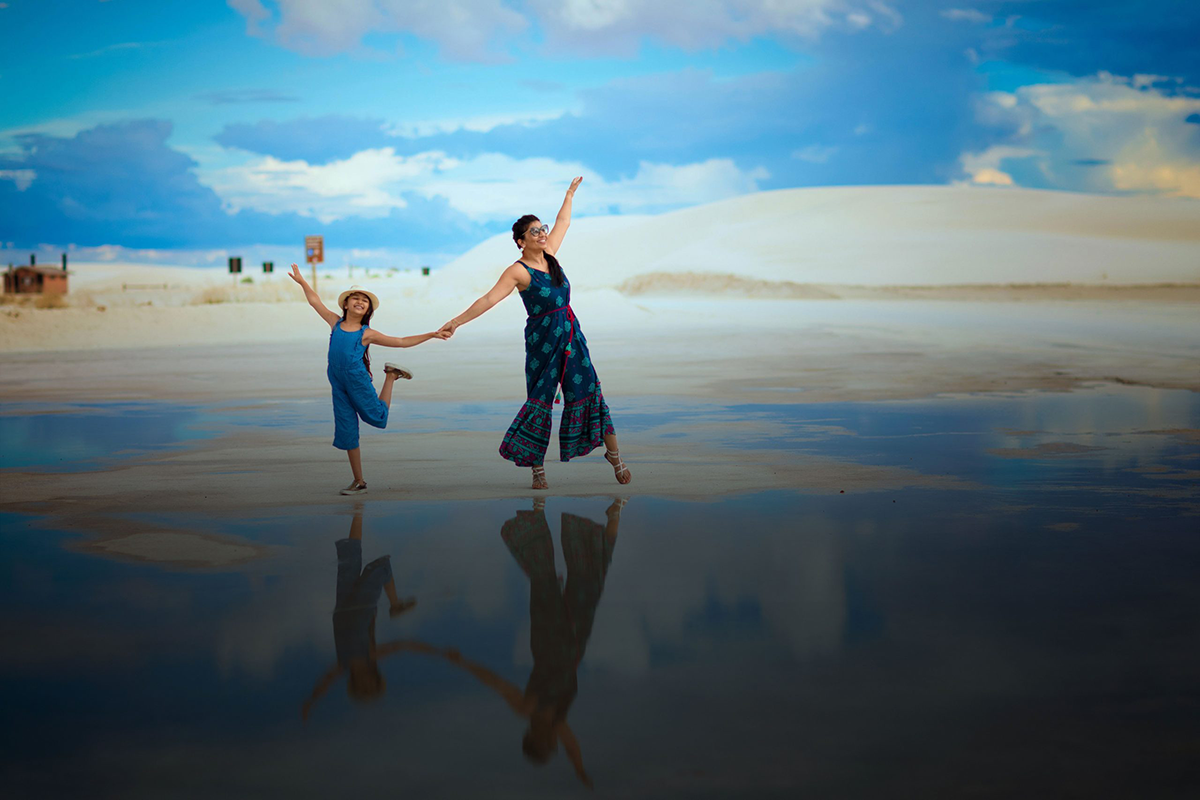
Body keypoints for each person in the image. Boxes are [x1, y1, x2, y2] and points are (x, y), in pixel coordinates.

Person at [439, 178, 632, 490]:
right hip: (542, 342)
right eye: (535, 231)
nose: (543, 234)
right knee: (540, 402)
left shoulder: (551, 254)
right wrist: (457, 321)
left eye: (543, 229)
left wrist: (569, 194)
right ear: (520, 241)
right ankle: (537, 470)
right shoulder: (517, 271)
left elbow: (564, 221)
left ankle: (614, 455)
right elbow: (489, 299)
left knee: (592, 392)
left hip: (571, 337)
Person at [289, 265, 449, 495]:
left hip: (356, 380)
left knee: (377, 416)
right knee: (347, 431)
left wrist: (431, 334)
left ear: (367, 310)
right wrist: (303, 282)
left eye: (365, 300)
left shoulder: (366, 333)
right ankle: (359, 481)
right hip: (337, 383)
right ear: (345, 304)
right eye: (355, 297)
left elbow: (401, 341)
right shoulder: (335, 323)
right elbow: (315, 302)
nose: (360, 301)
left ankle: (392, 376)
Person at [302, 503, 418, 718]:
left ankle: (357, 512)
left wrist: (311, 701)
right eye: (371, 686)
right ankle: (395, 604)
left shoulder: (343, 666)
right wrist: (441, 653)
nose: (366, 684)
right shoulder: (372, 655)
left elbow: (326, 680)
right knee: (379, 566)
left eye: (363, 688)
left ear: (354, 685)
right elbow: (403, 645)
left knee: (351, 557)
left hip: (344, 610)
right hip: (359, 609)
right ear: (375, 677)